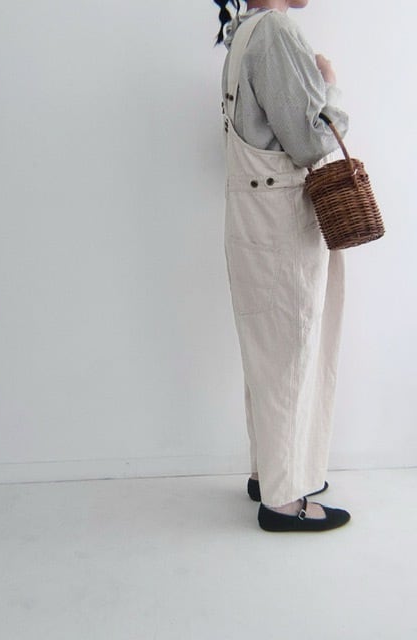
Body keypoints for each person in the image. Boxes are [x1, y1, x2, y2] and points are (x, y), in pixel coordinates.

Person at [214, 0, 352, 531]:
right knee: (291, 352)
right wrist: (330, 86)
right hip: (281, 220)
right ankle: (284, 501)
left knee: (268, 355)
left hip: (252, 216)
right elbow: (310, 141)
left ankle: (270, 474)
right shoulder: (274, 31)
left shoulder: (244, 33)